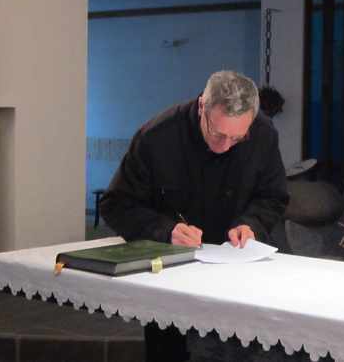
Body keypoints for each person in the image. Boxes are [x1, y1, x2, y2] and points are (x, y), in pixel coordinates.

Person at [100, 70, 288, 362]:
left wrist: (251, 224)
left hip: (239, 271)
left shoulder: (263, 133)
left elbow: (273, 196)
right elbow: (116, 204)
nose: (225, 146)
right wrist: (166, 230)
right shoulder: (157, 137)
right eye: (218, 134)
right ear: (202, 106)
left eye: (237, 138)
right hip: (173, 276)